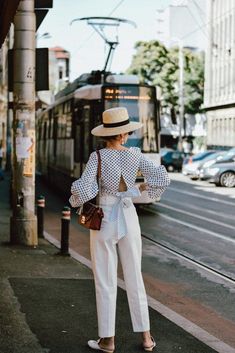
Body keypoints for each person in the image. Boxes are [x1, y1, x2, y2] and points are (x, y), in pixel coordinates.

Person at [69, 107, 170, 353]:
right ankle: (146, 338)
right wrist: (140, 187)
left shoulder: (98, 157)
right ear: (123, 134)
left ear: (105, 134)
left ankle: (108, 340)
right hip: (128, 216)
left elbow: (84, 189)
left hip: (104, 218)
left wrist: (76, 196)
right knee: (135, 276)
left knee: (105, 279)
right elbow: (162, 178)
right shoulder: (135, 154)